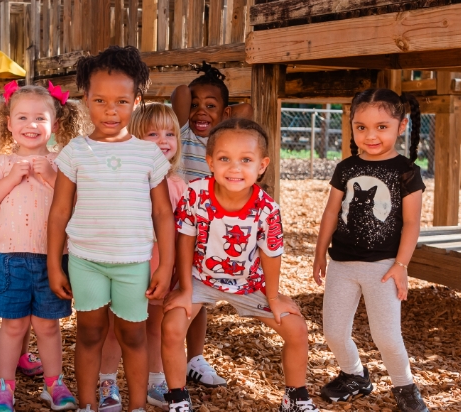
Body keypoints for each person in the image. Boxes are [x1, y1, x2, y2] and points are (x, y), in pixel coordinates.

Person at [47, 45, 176, 412]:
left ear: (136, 101)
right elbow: (58, 213)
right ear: (85, 99)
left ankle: (136, 406)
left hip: (133, 263)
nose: (110, 110)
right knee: (89, 334)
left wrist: (164, 266)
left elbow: (163, 215)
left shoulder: (148, 154)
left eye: (121, 101)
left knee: (133, 335)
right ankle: (87, 405)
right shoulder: (75, 151)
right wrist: (55, 265)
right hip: (86, 261)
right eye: (100, 100)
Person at [161, 118, 318, 412]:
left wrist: (274, 296)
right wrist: (184, 288)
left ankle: (295, 397)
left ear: (262, 165)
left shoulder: (266, 208)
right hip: (200, 278)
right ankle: (177, 398)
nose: (234, 168)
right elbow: (185, 240)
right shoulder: (195, 194)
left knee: (296, 328)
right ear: (210, 162)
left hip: (248, 283)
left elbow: (271, 254)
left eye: (246, 160)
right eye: (224, 159)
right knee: (172, 326)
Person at [312, 89, 429, 412]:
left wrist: (401, 264)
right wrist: (320, 252)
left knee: (387, 336)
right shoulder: (346, 168)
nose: (371, 135)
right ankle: (354, 374)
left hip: (384, 268)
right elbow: (331, 212)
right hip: (342, 265)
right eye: (361, 127)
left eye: (381, 126)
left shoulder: (406, 172)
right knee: (333, 332)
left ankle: (404, 384)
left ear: (401, 126)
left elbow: (411, 224)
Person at [0, 81, 87, 412]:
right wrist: (12, 178)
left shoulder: (62, 163)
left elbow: (78, 204)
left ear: (55, 123)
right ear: (9, 123)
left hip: (52, 259)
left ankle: (54, 384)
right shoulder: (1, 164)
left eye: (40, 118)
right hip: (9, 259)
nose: (31, 125)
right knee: (13, 326)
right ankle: (5, 388)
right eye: (22, 118)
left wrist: (51, 176)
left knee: (48, 326)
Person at [97, 103, 188, 410]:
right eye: (153, 133)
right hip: (126, 268)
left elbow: (184, 235)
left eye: (170, 133)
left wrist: (174, 270)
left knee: (156, 326)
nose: (164, 140)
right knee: (116, 329)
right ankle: (107, 381)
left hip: (163, 269)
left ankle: (155, 381)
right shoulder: (123, 181)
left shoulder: (178, 186)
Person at [170, 62, 245, 387]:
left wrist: (224, 113)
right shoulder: (181, 134)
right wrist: (202, 93)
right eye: (196, 105)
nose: (201, 111)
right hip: (172, 228)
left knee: (195, 297)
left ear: (224, 112)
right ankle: (163, 358)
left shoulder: (222, 146)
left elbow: (246, 108)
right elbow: (181, 93)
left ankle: (194, 358)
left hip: (204, 235)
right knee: (170, 295)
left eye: (211, 106)